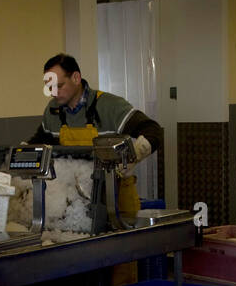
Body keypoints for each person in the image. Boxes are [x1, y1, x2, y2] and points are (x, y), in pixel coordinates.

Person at [28, 53, 162, 217]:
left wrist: (131, 157)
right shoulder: (52, 111)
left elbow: (153, 130)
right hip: (76, 204)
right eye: (49, 88)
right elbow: (38, 142)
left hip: (116, 199)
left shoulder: (110, 106)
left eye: (59, 85)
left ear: (76, 78)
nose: (53, 93)